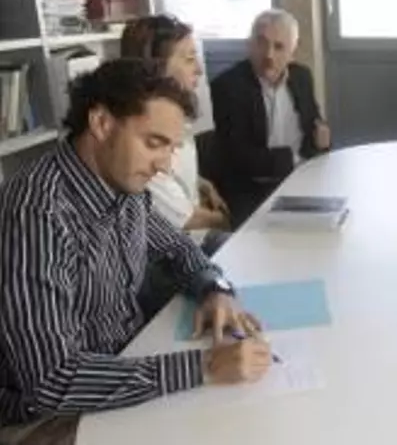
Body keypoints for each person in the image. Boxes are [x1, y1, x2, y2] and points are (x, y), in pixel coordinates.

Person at [0, 59, 272, 445]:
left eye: (171, 148)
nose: (164, 167)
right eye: (154, 143)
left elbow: (178, 248)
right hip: (49, 415)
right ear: (101, 123)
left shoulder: (124, 188)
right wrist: (205, 365)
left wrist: (215, 289)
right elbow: (51, 380)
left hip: (125, 365)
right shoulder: (37, 213)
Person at [120, 15, 231, 254]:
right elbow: (185, 218)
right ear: (156, 66)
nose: (199, 70)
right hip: (173, 253)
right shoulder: (140, 139)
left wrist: (201, 183)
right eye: (189, 59)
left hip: (193, 238)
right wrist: (226, 219)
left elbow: (176, 172)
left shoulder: (173, 114)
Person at [211, 8, 331, 227]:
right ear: (249, 45)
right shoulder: (228, 87)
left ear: (293, 51)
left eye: (279, 46)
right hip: (252, 189)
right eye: (261, 43)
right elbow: (238, 156)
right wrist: (293, 160)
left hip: (300, 178)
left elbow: (315, 131)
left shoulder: (302, 76)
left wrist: (322, 142)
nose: (269, 55)